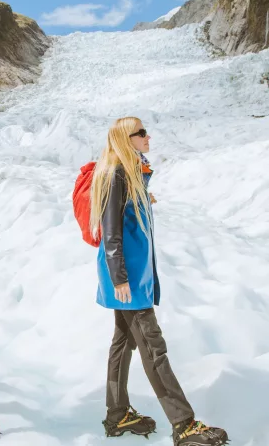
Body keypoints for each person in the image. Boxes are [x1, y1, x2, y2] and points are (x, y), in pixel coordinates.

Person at [90, 117, 228, 446]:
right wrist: (119, 276)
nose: (147, 136)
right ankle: (184, 425)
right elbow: (111, 232)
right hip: (127, 277)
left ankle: (117, 414)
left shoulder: (132, 171)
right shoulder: (116, 173)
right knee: (154, 349)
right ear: (126, 139)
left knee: (123, 343)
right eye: (141, 133)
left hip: (132, 274)